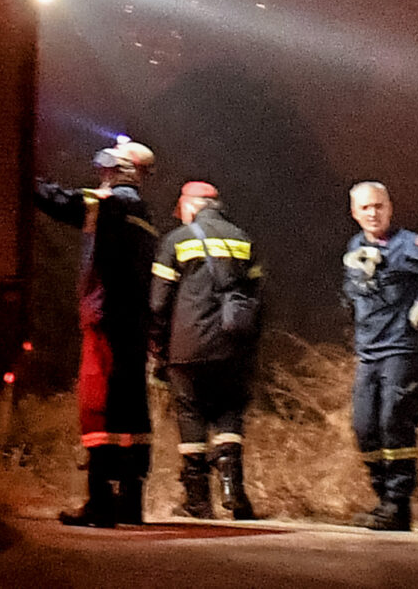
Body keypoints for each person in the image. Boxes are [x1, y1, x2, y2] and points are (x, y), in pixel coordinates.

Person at [35, 137, 159, 527]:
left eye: (106, 167)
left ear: (119, 169)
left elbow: (61, 202)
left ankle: (100, 501)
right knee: (132, 409)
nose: (100, 174)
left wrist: (22, 176)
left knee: (98, 404)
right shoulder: (144, 215)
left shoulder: (110, 205)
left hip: (105, 317)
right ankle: (130, 501)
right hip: (134, 323)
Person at [340, 180, 418, 531]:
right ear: (355, 213)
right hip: (368, 354)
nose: (373, 213)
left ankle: (398, 503)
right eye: (365, 208)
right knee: (364, 428)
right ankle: (382, 500)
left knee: (395, 423)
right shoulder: (355, 246)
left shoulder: (408, 244)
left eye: (378, 206)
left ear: (389, 208)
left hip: (400, 350)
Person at [149, 180, 264, 520]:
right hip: (233, 346)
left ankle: (198, 501)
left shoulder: (177, 240)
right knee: (229, 412)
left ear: (191, 206)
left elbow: (157, 302)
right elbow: (257, 298)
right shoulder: (244, 240)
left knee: (190, 412)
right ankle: (235, 493)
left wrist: (157, 344)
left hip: (187, 346)